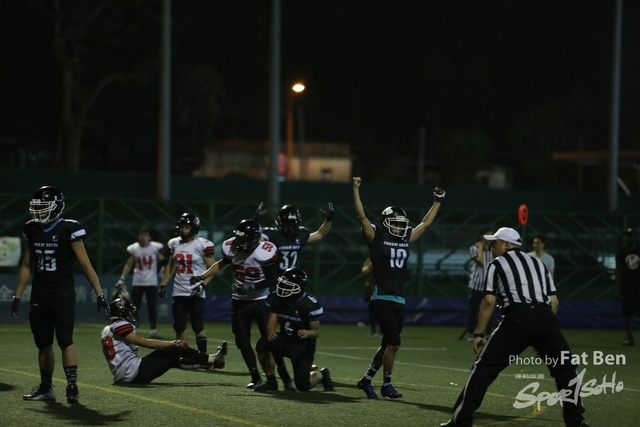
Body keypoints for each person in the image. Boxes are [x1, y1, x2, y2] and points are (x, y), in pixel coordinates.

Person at [440, 227, 589, 427]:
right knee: (566, 370)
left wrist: (479, 333)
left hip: (516, 319)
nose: (492, 248)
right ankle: (576, 422)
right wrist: (544, 332)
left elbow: (488, 302)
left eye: (495, 243)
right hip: (546, 319)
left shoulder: (497, 264)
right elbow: (554, 302)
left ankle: (461, 421)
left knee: (483, 369)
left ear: (506, 245)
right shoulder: (538, 264)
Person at [10, 186, 111, 404]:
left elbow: (85, 264)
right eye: (37, 208)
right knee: (43, 343)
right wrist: (17, 295)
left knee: (65, 340)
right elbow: (27, 264)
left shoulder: (69, 228)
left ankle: (72, 386)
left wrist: (99, 292)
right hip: (40, 294)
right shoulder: (32, 229)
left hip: (62, 293)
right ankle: (46, 387)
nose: (39, 212)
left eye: (44, 207)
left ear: (56, 207)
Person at [352, 177, 444, 399]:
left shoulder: (404, 237)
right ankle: (387, 385)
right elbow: (361, 216)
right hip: (381, 296)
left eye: (402, 223)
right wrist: (355, 189)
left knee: (387, 344)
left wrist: (437, 201)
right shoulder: (376, 235)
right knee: (394, 343)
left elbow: (425, 224)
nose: (400, 227)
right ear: (385, 222)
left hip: (399, 298)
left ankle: (366, 380)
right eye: (395, 223)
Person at [190, 218, 294, 389]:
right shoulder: (231, 247)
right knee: (242, 341)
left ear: (254, 239)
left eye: (244, 239)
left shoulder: (264, 252)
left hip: (261, 300)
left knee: (269, 341)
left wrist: (251, 286)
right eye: (238, 238)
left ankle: (284, 376)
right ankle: (256, 377)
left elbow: (272, 279)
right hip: (239, 301)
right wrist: (202, 277)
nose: (240, 242)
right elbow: (222, 264)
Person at [101, 298, 227, 383]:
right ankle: (213, 359)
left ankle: (212, 362)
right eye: (129, 312)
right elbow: (146, 343)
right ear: (122, 314)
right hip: (133, 372)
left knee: (170, 355)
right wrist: (172, 343)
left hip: (125, 372)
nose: (131, 315)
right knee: (175, 350)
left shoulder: (107, 329)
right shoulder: (119, 325)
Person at [253, 268, 334, 392]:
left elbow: (316, 332)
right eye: (282, 284)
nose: (283, 288)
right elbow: (271, 324)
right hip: (286, 340)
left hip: (302, 347)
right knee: (262, 344)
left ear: (299, 287)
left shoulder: (309, 303)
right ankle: (271, 381)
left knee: (302, 386)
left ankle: (322, 374)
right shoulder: (275, 298)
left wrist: (307, 332)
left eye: (287, 286)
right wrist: (270, 332)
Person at [158, 213, 215, 353]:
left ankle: (203, 357)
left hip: (195, 291)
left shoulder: (201, 244)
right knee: (179, 326)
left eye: (186, 227)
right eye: (181, 227)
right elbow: (171, 265)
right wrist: (163, 284)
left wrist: (202, 285)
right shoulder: (174, 243)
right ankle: (183, 356)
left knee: (197, 325)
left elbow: (213, 268)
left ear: (194, 228)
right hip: (179, 291)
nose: (183, 230)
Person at [261, 203, 334, 278]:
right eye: (287, 224)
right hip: (273, 278)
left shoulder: (300, 234)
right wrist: (255, 222)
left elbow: (320, 234)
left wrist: (329, 220)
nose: (290, 228)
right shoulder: (272, 235)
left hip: (292, 278)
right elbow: (256, 239)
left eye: (292, 224)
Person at [116, 227, 165, 338]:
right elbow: (129, 264)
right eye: (141, 235)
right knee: (135, 307)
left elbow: (162, 259)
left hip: (151, 282)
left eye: (145, 235)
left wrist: (163, 268)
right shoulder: (134, 248)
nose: (143, 237)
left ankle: (153, 330)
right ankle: (131, 328)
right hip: (138, 281)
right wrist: (122, 278)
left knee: (152, 306)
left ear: (149, 237)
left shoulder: (154, 247)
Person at [464, 228, 494, 342]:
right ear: (482, 236)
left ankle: (488, 333)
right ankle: (472, 333)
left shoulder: (494, 249)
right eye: (487, 235)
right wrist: (481, 248)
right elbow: (480, 261)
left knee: (489, 308)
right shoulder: (474, 248)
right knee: (473, 310)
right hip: (476, 284)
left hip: (489, 284)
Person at [615, 227, 640, 347]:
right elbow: (618, 271)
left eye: (630, 236)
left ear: (635, 237)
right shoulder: (621, 252)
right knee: (627, 314)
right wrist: (618, 288)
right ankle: (630, 338)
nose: (628, 238)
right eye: (627, 236)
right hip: (627, 287)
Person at [362, 257, 380, 337]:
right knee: (372, 310)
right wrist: (370, 265)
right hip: (371, 288)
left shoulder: (386, 258)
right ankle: (373, 330)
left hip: (382, 287)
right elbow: (364, 271)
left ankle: (382, 330)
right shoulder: (370, 259)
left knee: (383, 310)